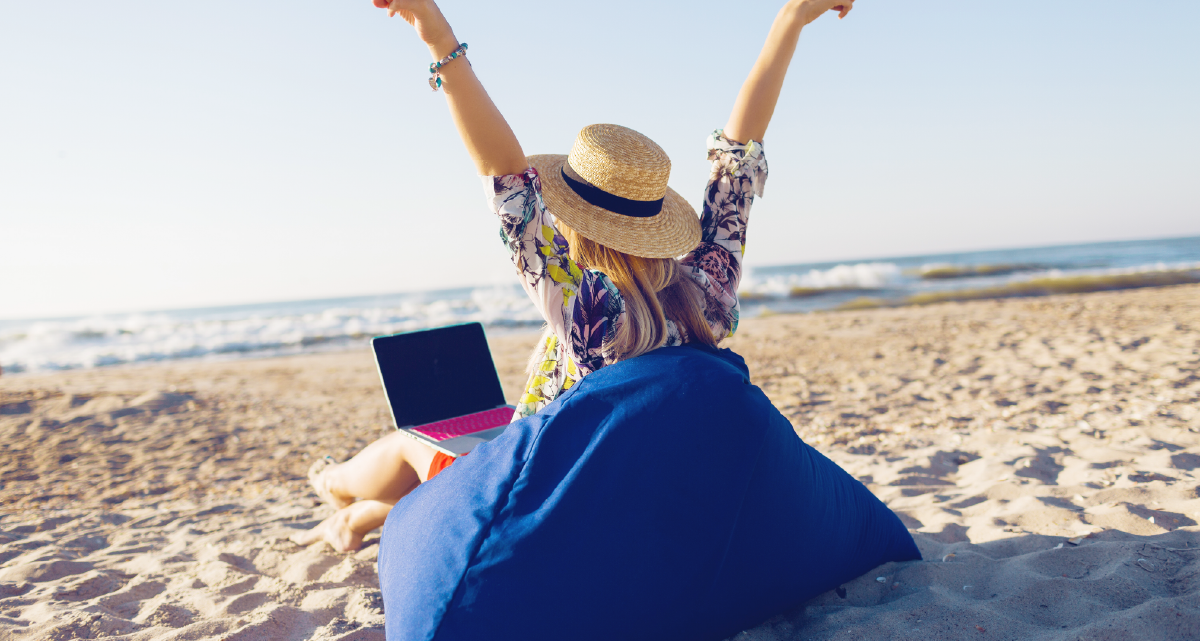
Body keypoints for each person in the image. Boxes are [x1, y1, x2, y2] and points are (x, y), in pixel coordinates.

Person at [294, 0, 855, 552]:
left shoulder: (586, 308)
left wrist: (437, 37)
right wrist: (791, 19)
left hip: (542, 497)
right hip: (630, 490)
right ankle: (361, 515)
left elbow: (504, 175)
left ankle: (329, 485)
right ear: (655, 218)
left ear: (573, 220)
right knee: (459, 447)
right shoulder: (708, 293)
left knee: (408, 446)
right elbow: (734, 163)